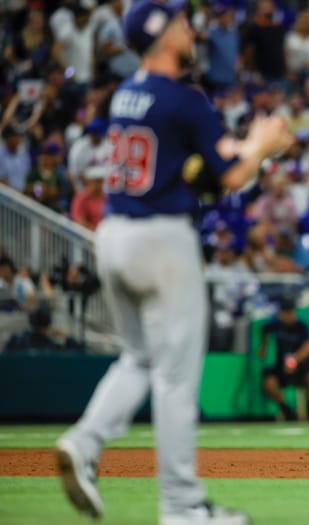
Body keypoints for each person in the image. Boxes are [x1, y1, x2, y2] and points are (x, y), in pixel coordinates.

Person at [53, 2, 294, 525]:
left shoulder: (126, 93)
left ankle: (85, 440)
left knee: (137, 358)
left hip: (114, 234)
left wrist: (240, 151)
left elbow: (194, 171)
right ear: (165, 38)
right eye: (182, 23)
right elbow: (230, 176)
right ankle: (183, 507)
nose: (190, 29)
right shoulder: (183, 99)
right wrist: (264, 144)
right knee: (176, 378)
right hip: (161, 239)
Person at [258, 296, 309, 421]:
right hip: (280, 369)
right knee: (269, 383)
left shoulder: (301, 327)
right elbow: (263, 344)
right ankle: (287, 410)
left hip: (300, 368)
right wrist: (264, 345)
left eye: (291, 312)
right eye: (285, 313)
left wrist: (294, 361)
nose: (289, 316)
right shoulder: (274, 326)